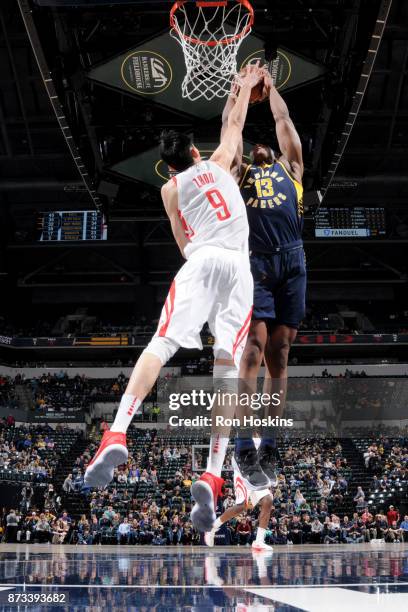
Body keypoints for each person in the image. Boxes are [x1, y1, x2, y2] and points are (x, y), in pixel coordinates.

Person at [84, 63, 266, 533]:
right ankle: (212, 472)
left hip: (202, 260)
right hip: (239, 270)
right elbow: (234, 125)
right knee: (226, 366)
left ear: (168, 165)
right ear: (194, 150)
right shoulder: (223, 159)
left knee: (161, 344)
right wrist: (241, 87)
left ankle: (117, 432)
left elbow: (184, 246)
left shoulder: (170, 190)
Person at [221, 67, 305, 481]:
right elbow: (230, 130)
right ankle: (241, 445)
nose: (261, 146)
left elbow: (284, 122)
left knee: (280, 355)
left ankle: (269, 444)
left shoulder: (293, 171)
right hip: (253, 263)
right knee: (252, 350)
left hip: (291, 262)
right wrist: (239, 90)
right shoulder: (239, 174)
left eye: (265, 145)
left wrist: (271, 90)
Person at [204, 438, 274, 551]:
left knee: (268, 499)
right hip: (243, 472)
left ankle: (259, 541)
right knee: (241, 507)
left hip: (256, 473)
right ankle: (213, 527)